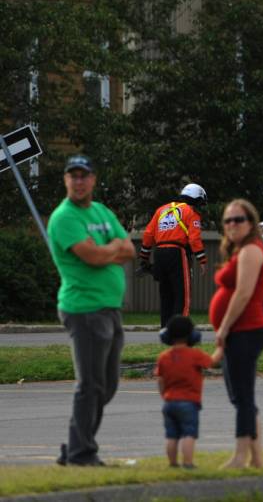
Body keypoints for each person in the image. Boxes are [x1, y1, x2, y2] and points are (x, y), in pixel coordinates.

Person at [47, 155, 136, 466]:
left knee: (107, 385)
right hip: (83, 309)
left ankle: (75, 446)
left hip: (109, 308)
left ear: (93, 179)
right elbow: (93, 257)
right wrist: (112, 248)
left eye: (84, 175)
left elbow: (130, 249)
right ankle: (81, 454)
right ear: (66, 180)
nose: (79, 181)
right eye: (73, 176)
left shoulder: (101, 211)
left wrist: (106, 250)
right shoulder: (64, 217)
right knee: (90, 385)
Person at [208, 199, 263, 469]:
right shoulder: (242, 250)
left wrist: (223, 328)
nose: (232, 224)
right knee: (242, 397)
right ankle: (257, 458)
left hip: (246, 329)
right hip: (240, 331)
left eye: (238, 219)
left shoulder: (251, 251)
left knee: (242, 398)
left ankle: (240, 457)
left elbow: (243, 294)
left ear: (251, 222)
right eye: (228, 220)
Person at [155, 315, 223, 469]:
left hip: (169, 403)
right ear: (192, 335)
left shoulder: (163, 357)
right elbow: (212, 362)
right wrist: (220, 348)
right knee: (188, 434)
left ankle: (172, 464)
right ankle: (188, 463)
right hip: (189, 403)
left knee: (172, 436)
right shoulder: (195, 355)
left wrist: (164, 396)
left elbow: (160, 380)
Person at [140, 184, 209, 328]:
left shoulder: (161, 210)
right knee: (182, 295)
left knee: (166, 296)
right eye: (200, 203)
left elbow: (148, 235)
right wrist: (202, 260)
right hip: (177, 253)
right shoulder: (191, 212)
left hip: (159, 254)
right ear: (196, 199)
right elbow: (194, 239)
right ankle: (180, 329)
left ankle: (165, 329)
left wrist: (144, 258)